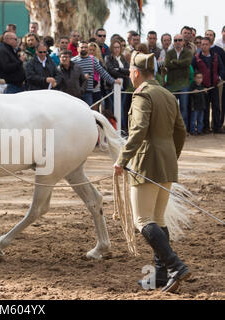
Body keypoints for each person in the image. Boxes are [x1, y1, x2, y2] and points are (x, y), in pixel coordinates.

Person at [114, 51, 189, 293]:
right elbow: (181, 132)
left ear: (135, 73)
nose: (129, 75)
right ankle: (160, 275)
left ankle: (175, 266)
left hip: (146, 161)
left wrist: (122, 159)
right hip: (166, 162)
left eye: (130, 72)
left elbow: (138, 132)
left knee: (142, 220)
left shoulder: (142, 95)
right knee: (158, 219)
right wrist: (171, 157)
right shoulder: (167, 94)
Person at [191, 37, 225, 134]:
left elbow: (222, 69)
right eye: (202, 44)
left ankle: (217, 127)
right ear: (200, 45)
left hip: (214, 86)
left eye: (206, 44)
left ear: (210, 45)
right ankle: (205, 128)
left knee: (216, 107)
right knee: (204, 108)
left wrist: (219, 78)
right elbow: (192, 71)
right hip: (202, 88)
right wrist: (197, 85)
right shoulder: (196, 58)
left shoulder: (216, 56)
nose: (204, 46)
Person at [72, 41, 120, 106]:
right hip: (76, 92)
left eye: (85, 47)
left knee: (89, 113)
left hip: (88, 92)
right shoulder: (73, 61)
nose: (84, 49)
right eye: (82, 47)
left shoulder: (93, 59)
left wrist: (113, 81)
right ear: (78, 48)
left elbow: (102, 72)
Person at [165, 34, 193, 130]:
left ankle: (183, 129)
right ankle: (171, 129)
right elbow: (167, 64)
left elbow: (187, 63)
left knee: (184, 108)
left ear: (183, 42)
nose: (177, 42)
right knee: (171, 108)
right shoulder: (169, 53)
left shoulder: (188, 52)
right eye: (176, 40)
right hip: (171, 84)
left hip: (184, 84)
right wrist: (180, 64)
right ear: (173, 42)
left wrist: (174, 62)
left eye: (179, 40)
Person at [105, 39, 131, 114]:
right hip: (112, 87)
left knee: (121, 108)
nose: (117, 49)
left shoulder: (123, 58)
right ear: (111, 48)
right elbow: (111, 71)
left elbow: (128, 71)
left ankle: (122, 126)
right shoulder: (108, 58)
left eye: (118, 47)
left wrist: (119, 69)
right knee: (114, 109)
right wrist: (124, 74)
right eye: (115, 47)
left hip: (124, 87)